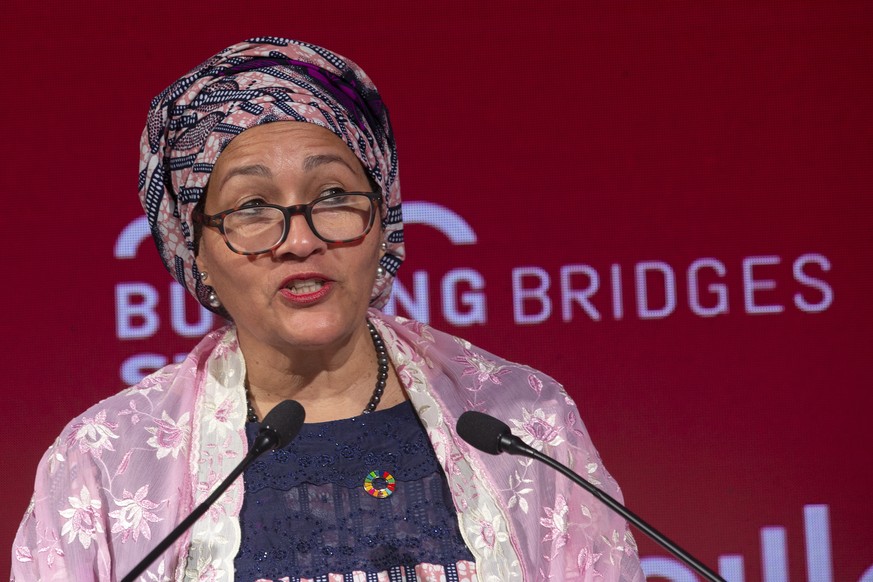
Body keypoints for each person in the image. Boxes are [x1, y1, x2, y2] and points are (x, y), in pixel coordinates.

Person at [11, 37, 644, 581]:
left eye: (334, 194)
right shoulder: (103, 461)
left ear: (383, 221)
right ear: (195, 249)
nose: (301, 238)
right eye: (252, 207)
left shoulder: (522, 425)